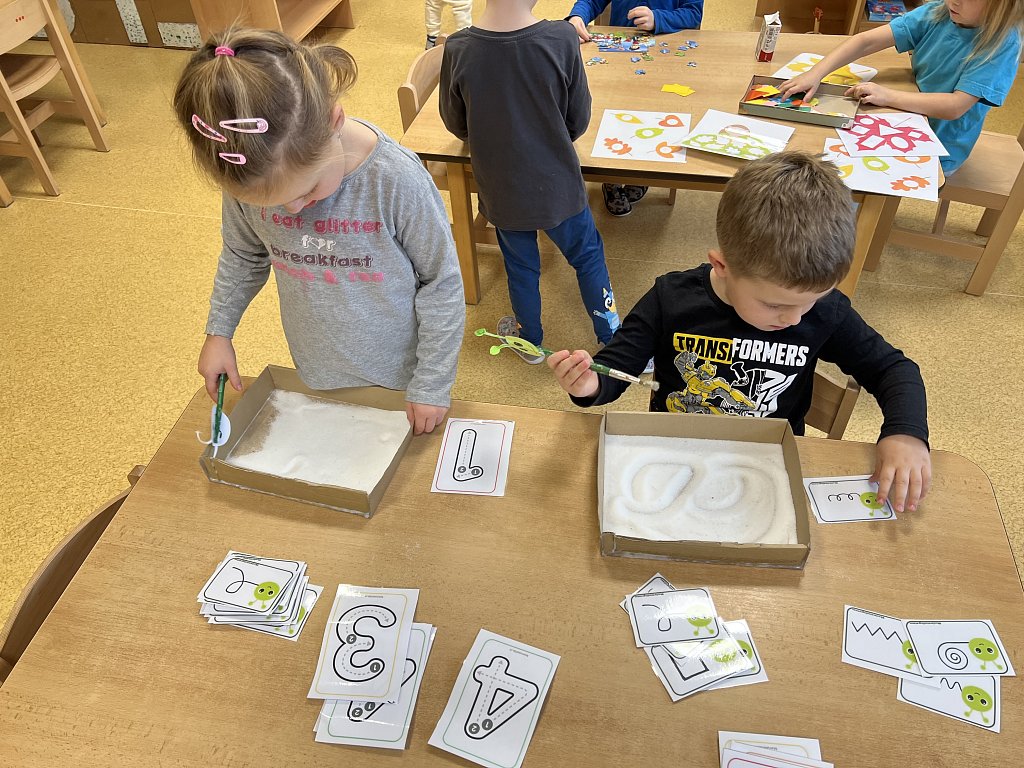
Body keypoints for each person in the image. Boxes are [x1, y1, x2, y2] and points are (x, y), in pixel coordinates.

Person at [547, 151, 931, 513]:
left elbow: (893, 369)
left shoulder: (824, 312)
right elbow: (617, 368)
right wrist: (589, 385)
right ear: (722, 265)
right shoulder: (671, 299)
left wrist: (905, 434)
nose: (795, 319)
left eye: (811, 301)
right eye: (774, 305)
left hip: (769, 459)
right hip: (672, 453)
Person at [172, 28, 464, 435]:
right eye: (272, 205)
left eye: (307, 190)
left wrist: (431, 382)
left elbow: (441, 282)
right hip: (315, 364)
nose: (292, 209)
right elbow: (244, 255)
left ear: (334, 122)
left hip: (400, 373)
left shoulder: (396, 180)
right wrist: (219, 332)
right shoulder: (245, 170)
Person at [439, 0, 622, 361]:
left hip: (502, 190)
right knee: (588, 257)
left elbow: (456, 122)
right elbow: (578, 118)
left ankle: (531, 340)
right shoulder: (562, 37)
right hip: (559, 187)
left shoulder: (458, 47)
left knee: (521, 268)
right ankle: (613, 337)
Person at [781, 0, 1023, 175]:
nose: (954, 1)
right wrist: (815, 73)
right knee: (825, 133)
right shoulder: (938, 12)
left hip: (939, 146)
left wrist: (887, 96)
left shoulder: (1003, 44)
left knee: (844, 169)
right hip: (906, 115)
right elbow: (865, 41)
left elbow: (955, 106)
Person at [566, 0, 704, 215]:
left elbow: (693, 13)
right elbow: (591, 1)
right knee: (616, 117)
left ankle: (640, 172)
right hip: (619, 56)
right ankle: (611, 178)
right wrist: (577, 17)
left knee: (653, 116)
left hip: (667, 53)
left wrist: (658, 18)